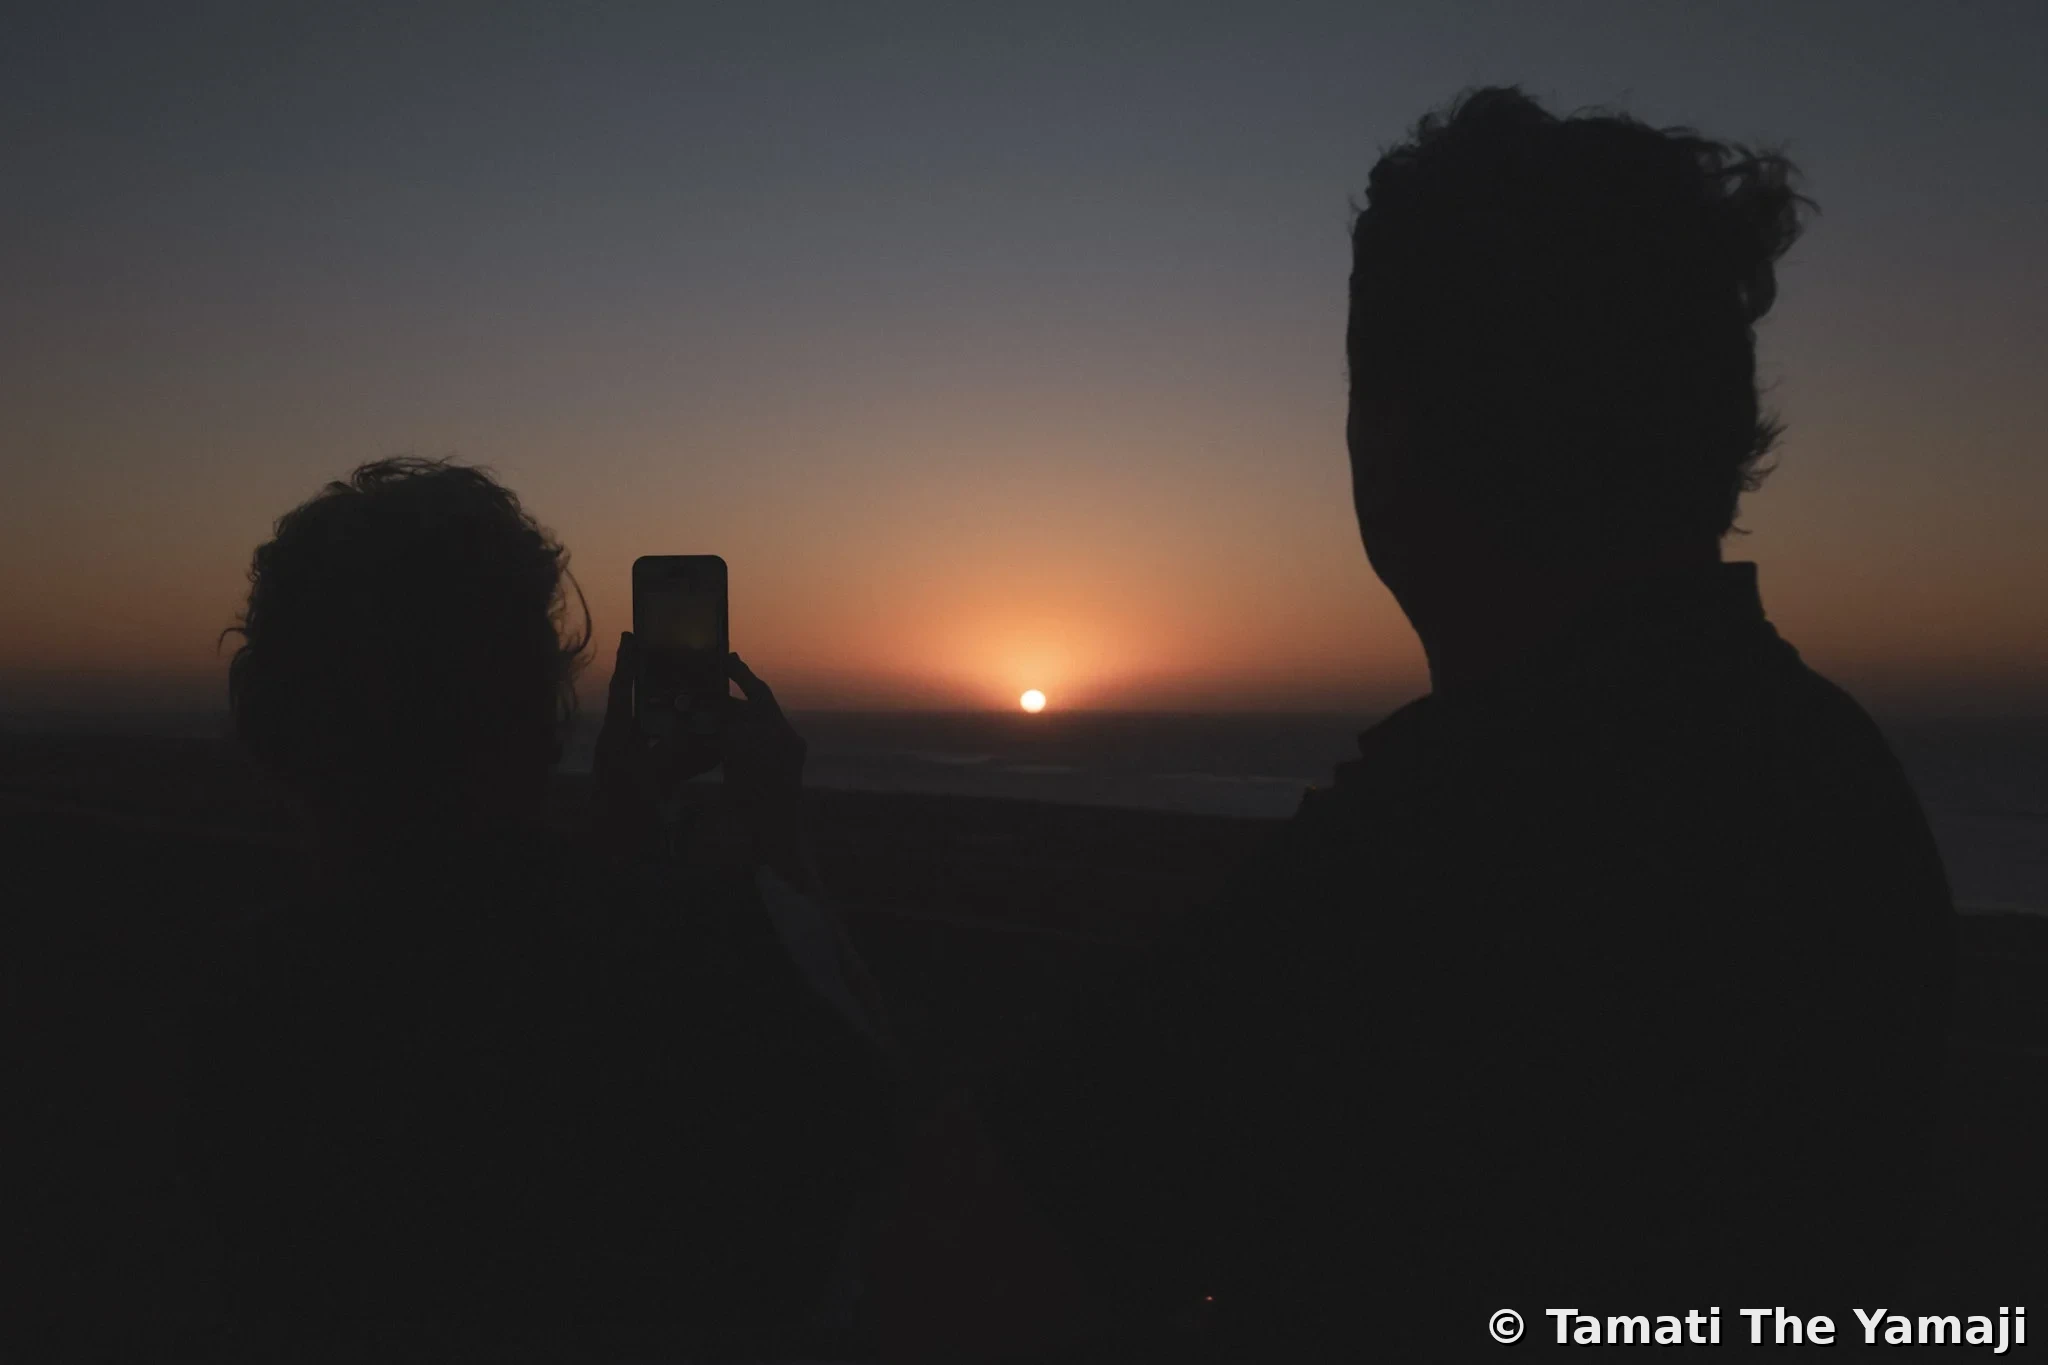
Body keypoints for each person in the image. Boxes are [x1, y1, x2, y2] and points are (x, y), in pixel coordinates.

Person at [877, 87, 1956, 1359]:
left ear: (1394, 434)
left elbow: (958, 1239)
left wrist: (777, 908)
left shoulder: (1445, 850)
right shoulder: (1830, 771)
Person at [189, 458, 894, 1362]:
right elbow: (877, 1126)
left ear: (274, 734)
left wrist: (616, 828)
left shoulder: (245, 1000)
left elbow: (477, 953)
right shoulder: (725, 951)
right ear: (545, 717)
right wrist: (780, 846)